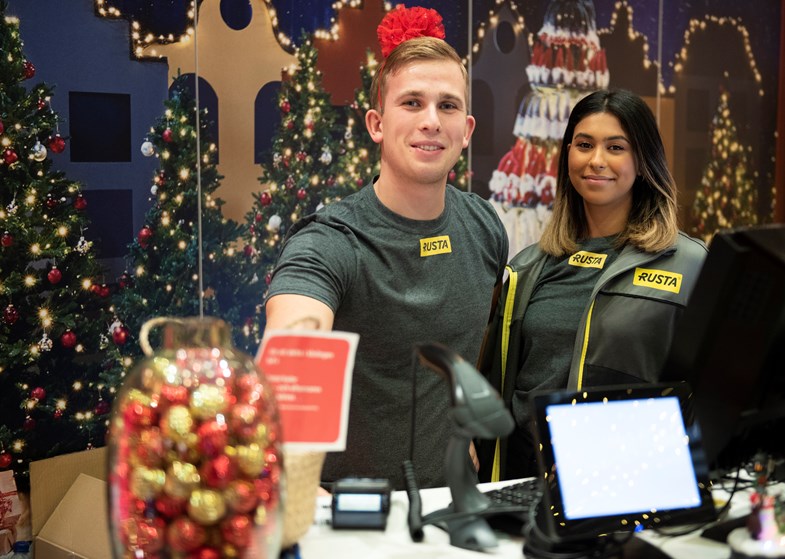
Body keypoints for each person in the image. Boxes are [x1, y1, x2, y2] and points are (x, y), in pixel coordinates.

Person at [264, 5, 509, 490]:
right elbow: (293, 345)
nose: (431, 121)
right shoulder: (331, 240)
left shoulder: (484, 226)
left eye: (448, 105)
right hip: (350, 518)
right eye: (412, 103)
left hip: (450, 511)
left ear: (467, 131)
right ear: (377, 124)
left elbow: (480, 346)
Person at [477, 88, 708, 482]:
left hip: (624, 484)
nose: (596, 160)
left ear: (643, 159)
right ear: (568, 154)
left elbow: (706, 396)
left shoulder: (688, 264)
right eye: (584, 145)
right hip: (521, 481)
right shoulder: (528, 267)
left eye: (616, 147)